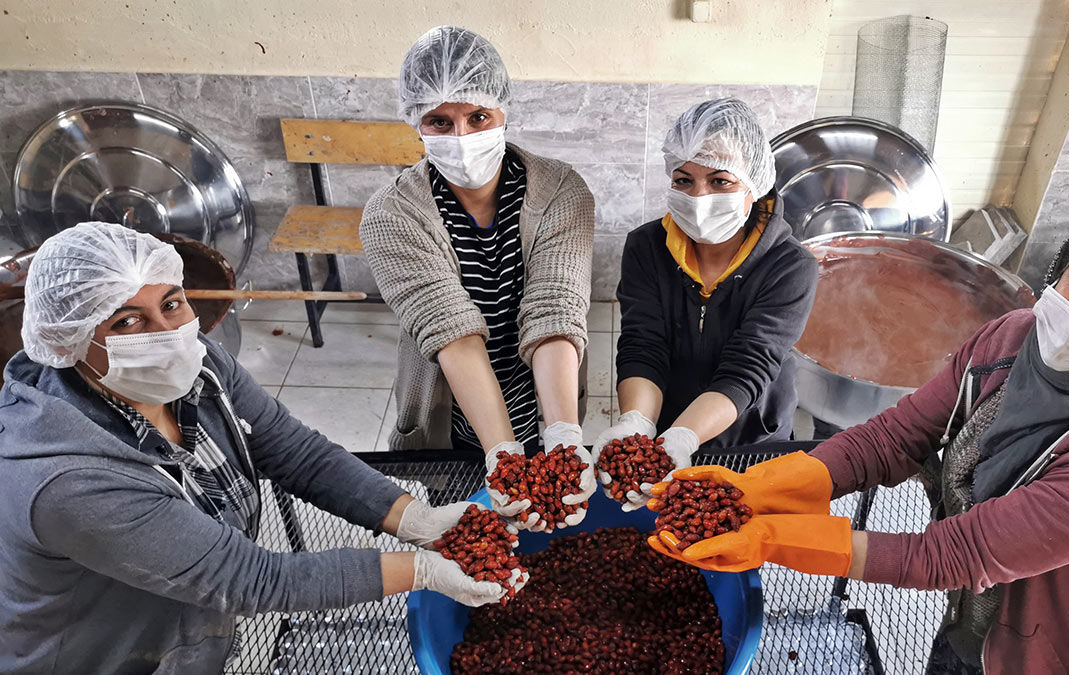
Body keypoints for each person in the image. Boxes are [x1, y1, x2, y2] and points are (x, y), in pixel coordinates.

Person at [648, 197, 1069, 674]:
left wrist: (771, 538)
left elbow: (953, 554)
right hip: (979, 615)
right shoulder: (1012, 337)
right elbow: (895, 436)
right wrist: (763, 489)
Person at [0, 223, 526, 674]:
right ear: (68, 343)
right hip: (102, 655)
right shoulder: (66, 480)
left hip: (181, 620)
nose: (167, 334)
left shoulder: (197, 362)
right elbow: (253, 578)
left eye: (171, 303)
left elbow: (296, 453)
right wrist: (423, 569)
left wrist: (417, 521)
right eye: (126, 322)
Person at [359, 25, 595, 530]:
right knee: (475, 535)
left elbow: (555, 308)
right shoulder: (390, 216)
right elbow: (452, 334)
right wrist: (503, 453)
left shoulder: (562, 193)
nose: (461, 137)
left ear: (503, 110)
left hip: (546, 398)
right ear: (415, 124)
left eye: (478, 116)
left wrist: (562, 438)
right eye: (439, 121)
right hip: (455, 419)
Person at [591, 98, 817, 509]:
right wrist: (638, 426)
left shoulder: (790, 266)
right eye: (683, 180)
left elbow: (749, 365)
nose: (698, 196)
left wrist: (683, 438)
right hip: (666, 419)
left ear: (753, 183)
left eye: (720, 181)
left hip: (749, 439)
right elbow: (645, 345)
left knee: (737, 540)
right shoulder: (646, 247)